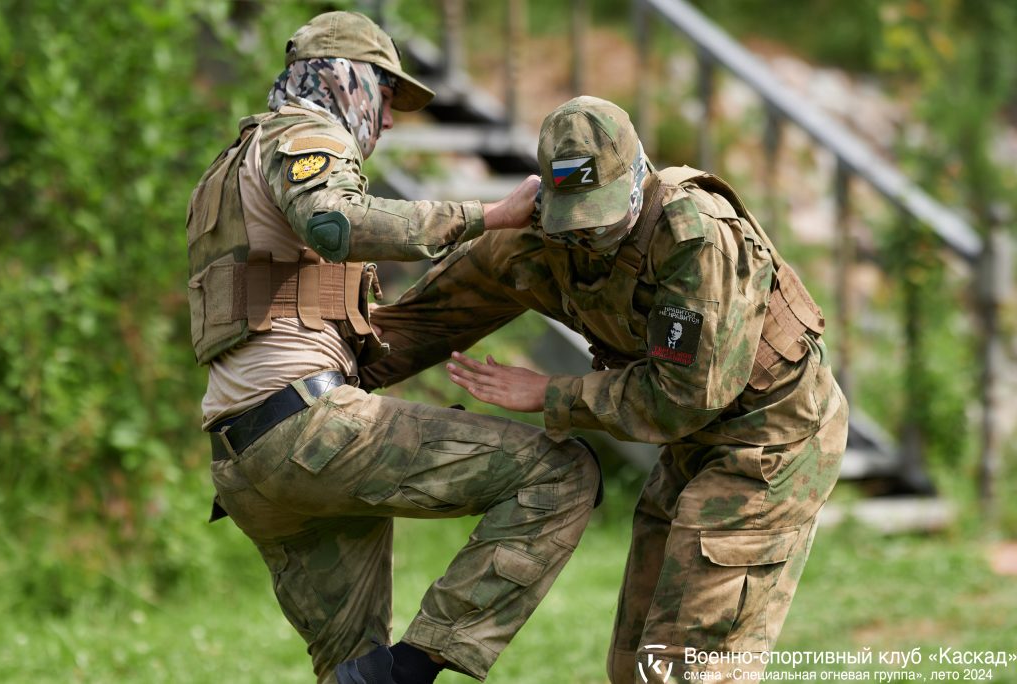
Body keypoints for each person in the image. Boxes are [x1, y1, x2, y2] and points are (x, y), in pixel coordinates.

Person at [360, 96, 849, 683]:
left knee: (688, 665)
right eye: (574, 218)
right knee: (635, 665)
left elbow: (686, 396)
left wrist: (551, 394)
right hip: (692, 445)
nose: (589, 234)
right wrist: (320, 376)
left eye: (603, 214)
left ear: (638, 177)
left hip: (770, 440)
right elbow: (429, 319)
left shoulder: (696, 237)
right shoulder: (541, 236)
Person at [185, 13, 601, 684]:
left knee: (349, 674)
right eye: (384, 93)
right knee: (562, 474)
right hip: (307, 432)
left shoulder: (227, 170)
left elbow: (276, 296)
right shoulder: (305, 133)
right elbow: (334, 221)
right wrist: (486, 218)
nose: (386, 119)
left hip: (245, 464)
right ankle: (415, 665)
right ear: (342, 78)